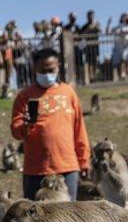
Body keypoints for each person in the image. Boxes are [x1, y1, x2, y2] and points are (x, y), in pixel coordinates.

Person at [10, 48, 90, 201]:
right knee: (36, 219)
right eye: (43, 70)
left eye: (51, 70)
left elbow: (79, 129)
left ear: (58, 66)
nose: (47, 74)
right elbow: (16, 131)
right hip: (36, 170)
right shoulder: (24, 96)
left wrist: (84, 160)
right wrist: (26, 125)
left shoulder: (69, 93)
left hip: (67, 168)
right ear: (35, 68)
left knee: (68, 219)